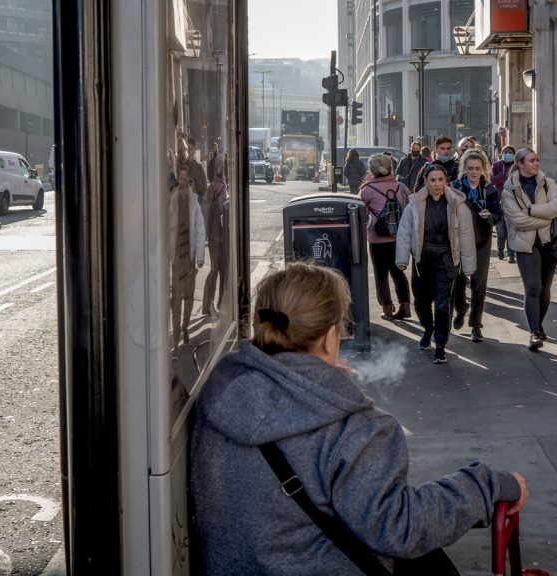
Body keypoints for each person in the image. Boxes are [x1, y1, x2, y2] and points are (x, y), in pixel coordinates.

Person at [191, 263, 528, 575]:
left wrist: (315, 377)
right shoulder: (357, 431)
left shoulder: (221, 392)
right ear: (328, 337)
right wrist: (486, 485)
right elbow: (399, 530)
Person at [395, 163, 477, 364]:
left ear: (446, 181)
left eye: (441, 179)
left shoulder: (458, 204)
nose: (437, 184)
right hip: (422, 260)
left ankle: (440, 345)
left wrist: (468, 267)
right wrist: (402, 259)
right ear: (426, 182)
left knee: (442, 303)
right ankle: (428, 329)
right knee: (421, 303)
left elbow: (466, 236)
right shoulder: (414, 204)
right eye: (433, 180)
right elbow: (404, 233)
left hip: (447, 258)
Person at [501, 147, 557, 351]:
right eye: (531, 160)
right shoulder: (510, 189)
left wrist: (532, 210)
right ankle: (534, 332)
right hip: (524, 245)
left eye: (537, 159)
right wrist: (545, 219)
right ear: (520, 164)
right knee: (532, 287)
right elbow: (517, 221)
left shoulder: (547, 182)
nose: (536, 163)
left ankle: (538, 325)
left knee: (545, 289)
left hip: (548, 243)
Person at [451, 150, 503, 342]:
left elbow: (499, 216)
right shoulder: (455, 188)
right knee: (458, 281)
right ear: (464, 168)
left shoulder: (489, 189)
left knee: (479, 284)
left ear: (483, 169)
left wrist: (489, 217)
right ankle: (461, 309)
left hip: (482, 240)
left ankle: (475, 325)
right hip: (459, 242)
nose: (474, 172)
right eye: (470, 168)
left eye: (477, 169)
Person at [360, 154, 412, 321]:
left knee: (380, 275)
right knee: (398, 272)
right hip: (398, 237)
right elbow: (408, 208)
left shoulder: (367, 190)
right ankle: (405, 307)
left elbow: (362, 214)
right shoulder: (400, 187)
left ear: (372, 170)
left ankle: (387, 309)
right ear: (391, 168)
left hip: (377, 239)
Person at [169, 166, 206, 350]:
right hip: (176, 259)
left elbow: (200, 232)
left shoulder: (195, 205)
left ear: (189, 182)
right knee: (176, 300)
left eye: (185, 179)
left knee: (189, 298)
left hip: (189, 259)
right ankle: (175, 339)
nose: (182, 182)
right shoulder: (171, 202)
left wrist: (200, 257)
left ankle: (185, 326)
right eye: (180, 179)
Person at [202, 156, 229, 316]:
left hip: (212, 236)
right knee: (221, 270)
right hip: (221, 237)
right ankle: (217, 303)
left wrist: (205, 234)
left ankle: (209, 304)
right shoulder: (222, 188)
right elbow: (223, 213)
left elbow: (206, 211)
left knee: (214, 269)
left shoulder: (211, 186)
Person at [491, 145, 517, 262]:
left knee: (511, 230)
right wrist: (504, 176)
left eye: (510, 152)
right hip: (499, 202)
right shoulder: (496, 166)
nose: (507, 153)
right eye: (505, 152)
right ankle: (500, 249)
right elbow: (493, 180)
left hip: (513, 202)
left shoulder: (517, 166)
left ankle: (511, 254)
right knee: (501, 232)